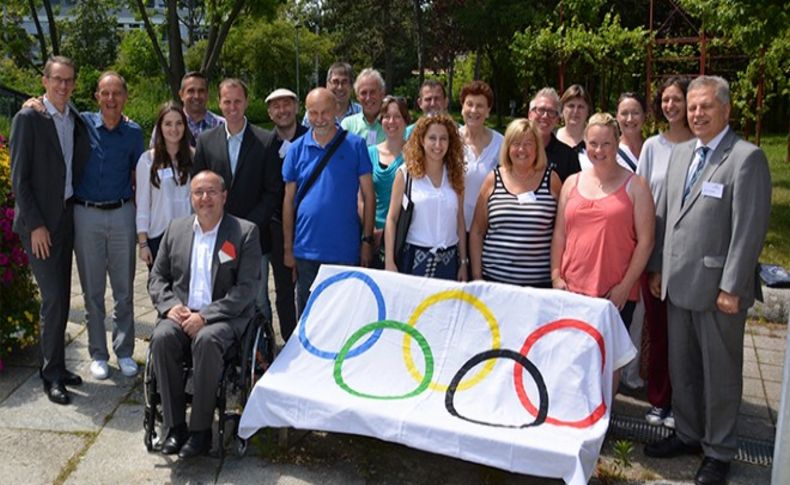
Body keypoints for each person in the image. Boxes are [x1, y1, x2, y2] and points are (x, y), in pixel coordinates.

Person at [644, 76, 771, 485]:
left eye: (705, 107)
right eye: (693, 107)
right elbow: (667, 217)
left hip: (719, 291)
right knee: (683, 369)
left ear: (726, 110)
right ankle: (687, 433)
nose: (696, 113)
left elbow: (749, 228)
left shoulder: (745, 158)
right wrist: (658, 267)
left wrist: (733, 286)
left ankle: (719, 450)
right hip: (678, 284)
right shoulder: (682, 154)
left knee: (720, 374)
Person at [148, 170, 262, 459]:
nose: (205, 198)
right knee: (161, 337)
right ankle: (175, 428)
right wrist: (169, 305)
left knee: (207, 340)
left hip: (223, 318)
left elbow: (246, 289)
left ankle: (199, 432)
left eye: (212, 191)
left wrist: (206, 316)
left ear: (224, 196)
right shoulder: (176, 230)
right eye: (198, 192)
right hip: (182, 313)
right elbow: (157, 278)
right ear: (191, 198)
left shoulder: (244, 232)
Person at [10, 56, 91, 404]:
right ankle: (50, 373)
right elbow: (19, 179)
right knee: (54, 298)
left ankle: (57, 364)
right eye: (57, 79)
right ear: (44, 81)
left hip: (67, 217)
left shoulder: (74, 118)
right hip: (40, 224)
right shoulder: (28, 118)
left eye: (69, 80)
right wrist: (36, 225)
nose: (63, 86)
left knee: (61, 296)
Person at [551, 112, 655, 330]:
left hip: (614, 294)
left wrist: (625, 287)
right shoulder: (571, 183)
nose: (599, 150)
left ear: (617, 143)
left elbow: (646, 242)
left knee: (610, 362)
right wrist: (555, 276)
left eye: (606, 143)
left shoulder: (637, 186)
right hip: (572, 291)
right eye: (593, 143)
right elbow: (560, 234)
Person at [192, 78, 281, 325]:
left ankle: (264, 356)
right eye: (227, 101)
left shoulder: (266, 140)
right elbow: (198, 189)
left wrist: (244, 229)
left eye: (237, 101)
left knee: (258, 298)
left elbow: (273, 192)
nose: (233, 107)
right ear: (219, 103)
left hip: (254, 237)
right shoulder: (206, 141)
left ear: (246, 102)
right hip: (216, 237)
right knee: (220, 296)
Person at [75, 71, 144, 380]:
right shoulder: (83, 123)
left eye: (117, 93)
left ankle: (125, 351)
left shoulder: (133, 132)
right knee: (92, 289)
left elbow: (137, 173)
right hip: (86, 213)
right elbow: (55, 110)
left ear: (125, 97)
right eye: (105, 93)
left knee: (124, 290)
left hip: (121, 213)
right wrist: (35, 103)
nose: (111, 99)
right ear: (97, 97)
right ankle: (98, 353)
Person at [283, 87, 375, 316]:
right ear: (306, 113)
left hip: (345, 249)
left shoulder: (355, 145)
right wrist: (288, 247)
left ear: (336, 110)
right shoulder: (296, 149)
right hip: (306, 249)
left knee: (343, 316)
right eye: (313, 113)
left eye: (325, 112)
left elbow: (369, 195)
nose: (320, 119)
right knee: (308, 316)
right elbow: (288, 201)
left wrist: (367, 240)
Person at [636, 76, 693, 429]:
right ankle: (659, 400)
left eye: (678, 99)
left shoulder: (703, 145)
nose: (671, 105)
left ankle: (685, 404)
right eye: (666, 100)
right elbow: (641, 199)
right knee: (658, 333)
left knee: (685, 336)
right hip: (655, 253)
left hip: (689, 255)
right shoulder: (652, 148)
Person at [469, 119, 561, 287]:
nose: (521, 149)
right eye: (516, 143)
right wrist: (477, 276)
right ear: (508, 147)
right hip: (495, 282)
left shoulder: (552, 180)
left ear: (537, 148)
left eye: (528, 144)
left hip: (539, 285)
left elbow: (562, 231)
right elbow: (477, 231)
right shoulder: (492, 180)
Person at [384, 113, 468, 281]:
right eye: (432, 138)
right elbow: (392, 219)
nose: (438, 144)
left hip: (449, 261)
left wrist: (463, 262)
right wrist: (389, 261)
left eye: (443, 139)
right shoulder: (406, 174)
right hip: (414, 260)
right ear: (422, 140)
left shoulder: (455, 175)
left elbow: (460, 220)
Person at [263, 87, 308, 341]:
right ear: (270, 113)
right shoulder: (265, 145)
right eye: (276, 106)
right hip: (279, 227)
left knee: (311, 285)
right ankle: (291, 340)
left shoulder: (311, 138)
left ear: (296, 107)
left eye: (287, 104)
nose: (282, 110)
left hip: (310, 226)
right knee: (283, 289)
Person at [136, 102, 194, 269]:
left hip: (188, 236)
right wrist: (143, 243)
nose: (174, 129)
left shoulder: (194, 157)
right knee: (161, 291)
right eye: (168, 124)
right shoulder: (147, 160)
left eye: (179, 123)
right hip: (158, 237)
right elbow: (143, 205)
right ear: (160, 127)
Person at [368, 95, 410, 264]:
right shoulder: (369, 153)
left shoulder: (415, 155)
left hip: (404, 235)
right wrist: (370, 232)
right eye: (387, 116)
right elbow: (361, 197)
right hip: (373, 235)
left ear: (406, 120)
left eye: (397, 116)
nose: (391, 121)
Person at [458, 80, 503, 232]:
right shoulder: (450, 141)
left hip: (487, 228)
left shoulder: (500, 143)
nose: (473, 110)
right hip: (453, 227)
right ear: (462, 107)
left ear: (488, 110)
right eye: (469, 104)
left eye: (480, 106)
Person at [150, 71, 224, 147]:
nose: (196, 96)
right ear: (181, 95)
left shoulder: (222, 126)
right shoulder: (165, 127)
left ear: (207, 95)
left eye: (201, 91)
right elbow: (154, 156)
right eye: (191, 91)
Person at [527, 87, 580, 182]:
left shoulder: (568, 157)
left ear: (557, 119)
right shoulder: (515, 149)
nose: (545, 116)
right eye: (541, 109)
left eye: (551, 112)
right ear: (530, 114)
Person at [301, 62, 361, 126]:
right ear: (327, 84)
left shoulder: (362, 113)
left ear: (351, 86)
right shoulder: (313, 113)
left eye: (344, 82)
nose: (340, 87)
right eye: (335, 82)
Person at [340, 68, 386, 145]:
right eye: (363, 93)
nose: (368, 98)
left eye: (372, 92)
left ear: (382, 94)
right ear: (357, 97)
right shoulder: (348, 125)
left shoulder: (392, 125)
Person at [556, 84, 593, 169]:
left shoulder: (596, 141)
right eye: (571, 106)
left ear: (588, 111)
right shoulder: (552, 138)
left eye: (581, 107)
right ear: (562, 110)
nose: (575, 111)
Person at [616, 92, 646, 171]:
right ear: (617, 117)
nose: (630, 119)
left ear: (644, 116)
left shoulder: (654, 149)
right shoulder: (610, 152)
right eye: (624, 113)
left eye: (635, 113)